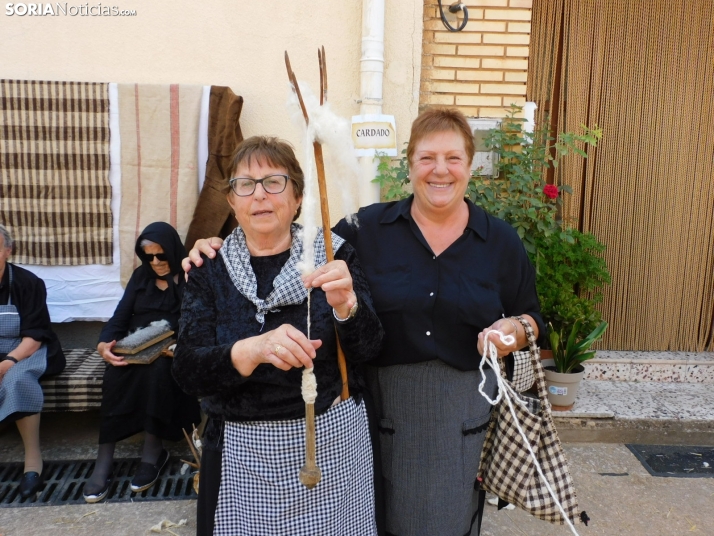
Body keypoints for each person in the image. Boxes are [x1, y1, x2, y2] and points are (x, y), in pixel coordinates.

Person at [186, 109, 544, 536]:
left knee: (447, 519)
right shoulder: (364, 231)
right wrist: (212, 248)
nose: (440, 170)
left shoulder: (498, 240)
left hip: (457, 417)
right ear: (409, 164)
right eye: (427, 157)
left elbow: (532, 318)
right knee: (388, 518)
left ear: (470, 166)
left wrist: (516, 331)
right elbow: (191, 365)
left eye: (453, 158)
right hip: (380, 413)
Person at [172, 136, 384, 536]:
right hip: (241, 453)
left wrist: (347, 308)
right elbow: (187, 371)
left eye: (274, 181)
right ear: (232, 201)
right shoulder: (209, 268)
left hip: (330, 449)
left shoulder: (334, 256)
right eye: (245, 184)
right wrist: (250, 350)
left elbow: (369, 349)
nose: (260, 195)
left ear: (298, 196)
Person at [83, 222, 201, 503]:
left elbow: (197, 321)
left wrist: (181, 346)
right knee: (115, 375)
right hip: (135, 346)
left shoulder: (189, 278)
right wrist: (105, 343)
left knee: (159, 371)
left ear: (173, 251)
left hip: (171, 351)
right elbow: (119, 317)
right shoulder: (140, 277)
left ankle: (153, 453)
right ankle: (104, 460)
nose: (156, 262)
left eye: (161, 255)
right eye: (148, 257)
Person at [0, 224, 66, 498]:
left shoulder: (27, 283)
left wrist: (7, 362)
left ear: (7, 250)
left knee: (17, 379)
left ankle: (32, 463)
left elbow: (35, 334)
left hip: (27, 348)